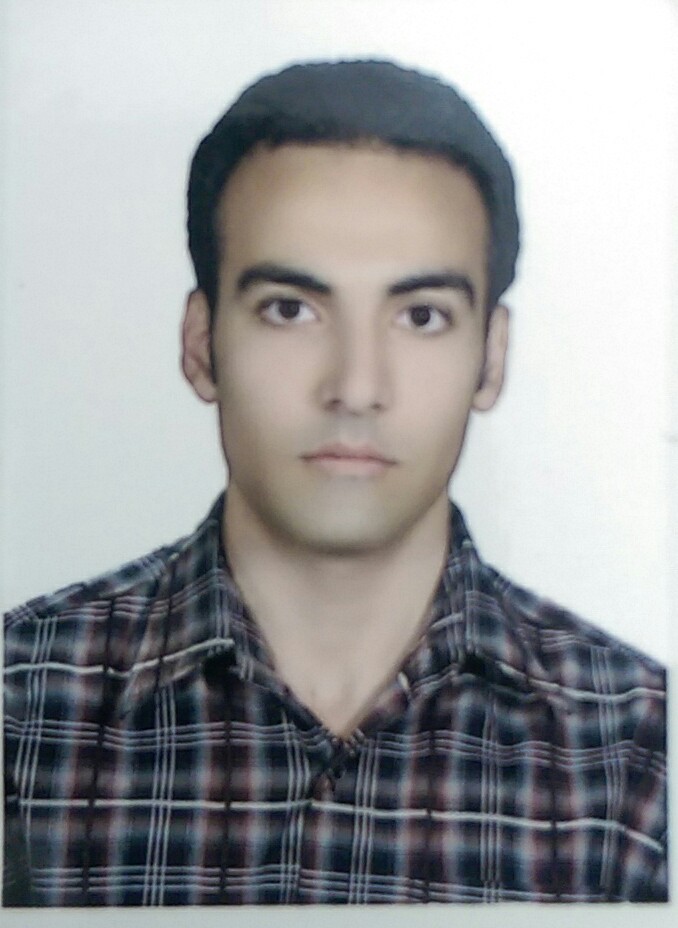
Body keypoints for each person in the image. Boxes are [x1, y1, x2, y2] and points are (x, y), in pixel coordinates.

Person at [3, 59, 667, 907]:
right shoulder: (20, 708)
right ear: (202, 344)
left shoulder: (644, 753)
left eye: (421, 316)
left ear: (491, 357)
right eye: (291, 308)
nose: (356, 386)